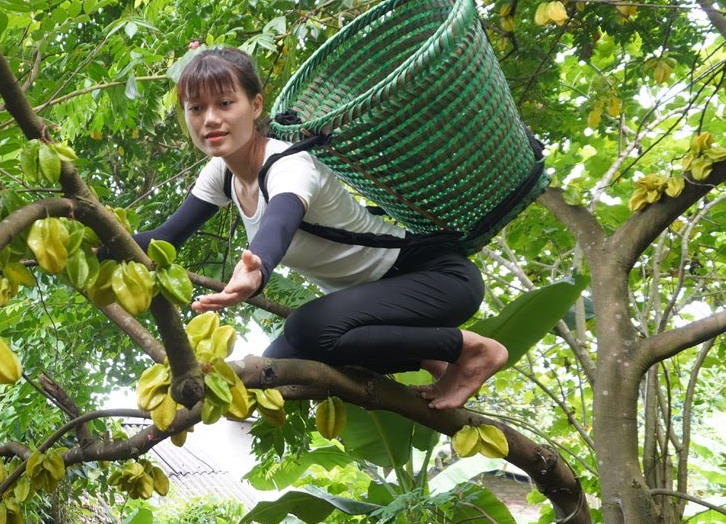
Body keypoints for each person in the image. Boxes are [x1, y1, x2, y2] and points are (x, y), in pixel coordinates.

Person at [133, 47, 508, 409]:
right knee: (275, 366)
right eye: (196, 108)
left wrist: (257, 266)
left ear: (256, 106)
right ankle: (430, 355)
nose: (209, 119)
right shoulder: (221, 174)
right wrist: (88, 237)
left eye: (225, 104)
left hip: (436, 280)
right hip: (380, 308)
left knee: (307, 329)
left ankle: (471, 349)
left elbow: (281, 220)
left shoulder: (289, 165)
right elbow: (162, 240)